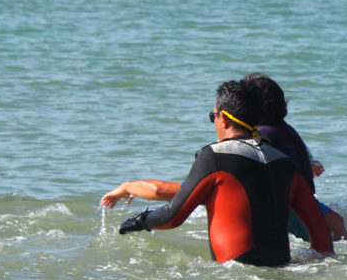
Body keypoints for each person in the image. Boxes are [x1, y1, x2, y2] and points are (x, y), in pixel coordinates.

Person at [101, 79, 333, 266]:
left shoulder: (214, 156)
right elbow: (322, 238)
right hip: (281, 279)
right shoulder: (284, 162)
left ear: (224, 119)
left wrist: (136, 222)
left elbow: (172, 217)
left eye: (213, 116)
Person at [242, 72, 347, 241]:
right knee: (337, 227)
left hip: (288, 204)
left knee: (323, 237)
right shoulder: (285, 128)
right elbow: (299, 151)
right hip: (303, 198)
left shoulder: (261, 134)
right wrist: (311, 162)